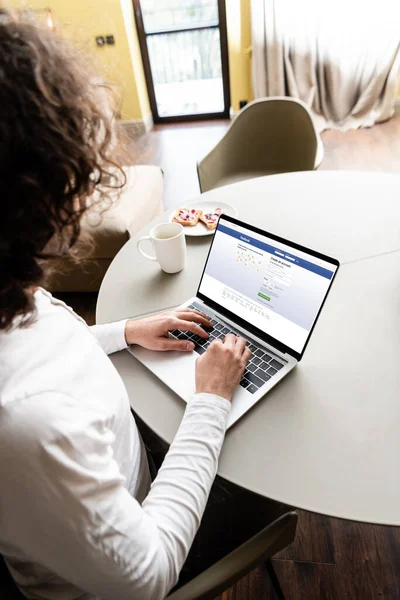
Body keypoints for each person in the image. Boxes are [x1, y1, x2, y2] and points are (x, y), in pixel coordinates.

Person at [0, 11, 288, 600]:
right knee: (278, 468)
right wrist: (208, 401)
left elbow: (45, 342)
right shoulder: (24, 425)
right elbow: (149, 577)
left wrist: (127, 330)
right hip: (142, 528)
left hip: (115, 469)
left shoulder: (10, 289)